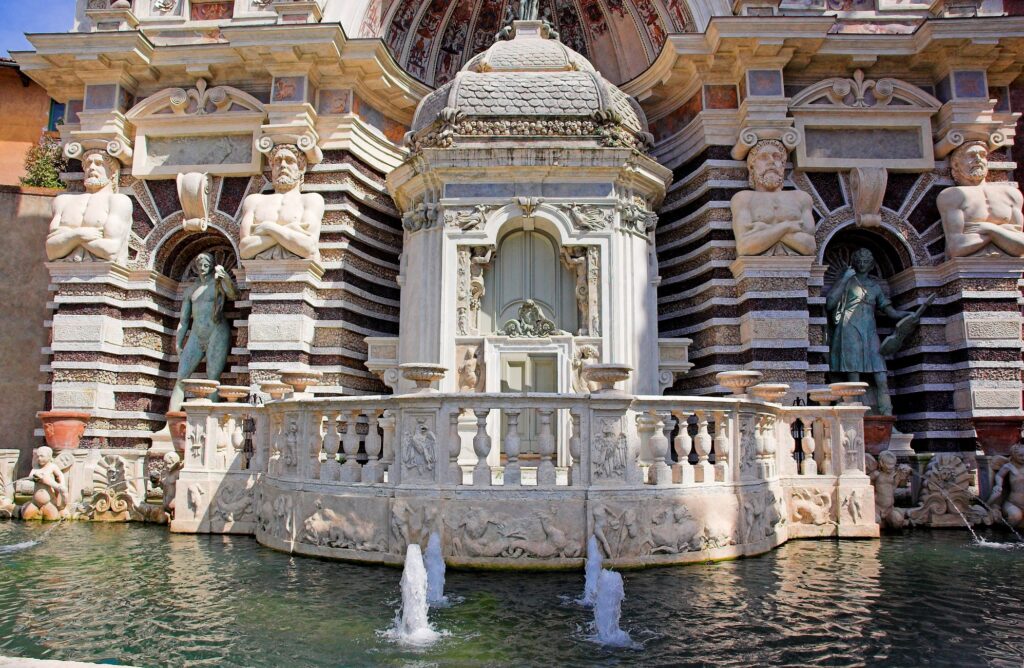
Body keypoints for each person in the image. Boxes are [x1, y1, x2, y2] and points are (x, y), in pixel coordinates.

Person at [826, 248, 914, 415]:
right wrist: (844, 278)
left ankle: (887, 419)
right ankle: (857, 420)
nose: (861, 264)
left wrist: (910, 314)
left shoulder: (875, 287)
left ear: (872, 264)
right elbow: (830, 303)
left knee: (881, 378)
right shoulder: (848, 282)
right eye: (858, 260)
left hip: (870, 333)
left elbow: (891, 313)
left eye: (866, 261)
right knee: (854, 381)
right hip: (849, 331)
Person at [169, 252, 239, 410]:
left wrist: (226, 277)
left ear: (211, 266)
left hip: (217, 332)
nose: (202, 268)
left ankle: (210, 421)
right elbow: (184, 320)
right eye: (200, 265)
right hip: (196, 334)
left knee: (212, 377)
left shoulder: (218, 283)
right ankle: (170, 423)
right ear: (196, 266)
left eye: (206, 265)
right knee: (181, 377)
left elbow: (234, 295)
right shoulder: (190, 290)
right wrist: (178, 343)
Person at [729, 139, 816, 256]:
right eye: (763, 157)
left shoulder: (801, 198)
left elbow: (809, 246)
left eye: (776, 157)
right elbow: (745, 246)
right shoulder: (743, 198)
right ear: (751, 166)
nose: (771, 161)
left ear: (783, 165)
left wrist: (764, 229)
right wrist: (787, 226)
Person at [938, 141, 1024, 259]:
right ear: (956, 165)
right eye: (971, 155)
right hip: (966, 271)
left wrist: (989, 229)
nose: (978, 159)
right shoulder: (952, 196)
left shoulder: (1010, 194)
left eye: (982, 155)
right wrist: (1004, 232)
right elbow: (956, 248)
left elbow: (1021, 247)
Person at [239, 144, 324, 261]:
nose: (283, 165)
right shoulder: (254, 201)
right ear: (272, 167)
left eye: (289, 161)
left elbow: (308, 248)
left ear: (301, 167)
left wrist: (268, 228)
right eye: (278, 161)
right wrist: (290, 231)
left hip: (300, 275)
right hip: (255, 274)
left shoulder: (311, 200)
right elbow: (244, 250)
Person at [45, 150, 132, 263]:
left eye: (98, 163)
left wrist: (66, 237)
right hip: (61, 274)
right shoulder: (63, 201)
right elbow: (51, 251)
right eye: (88, 163)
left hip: (105, 275)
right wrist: (78, 235)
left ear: (113, 172)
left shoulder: (118, 201)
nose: (91, 167)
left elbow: (111, 250)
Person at [20, 446, 67, 521]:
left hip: (48, 502)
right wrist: (34, 478)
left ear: (49, 457)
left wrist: (62, 484)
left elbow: (60, 475)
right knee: (26, 518)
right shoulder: (36, 467)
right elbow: (30, 476)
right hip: (35, 502)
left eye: (42, 456)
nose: (39, 458)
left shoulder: (52, 466)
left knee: (51, 519)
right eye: (38, 456)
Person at [988, 443, 1024, 528]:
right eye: (1021, 455)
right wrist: (998, 485)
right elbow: (999, 475)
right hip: (1013, 503)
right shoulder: (1009, 466)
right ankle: (1005, 534)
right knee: (1016, 517)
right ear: (1014, 456)